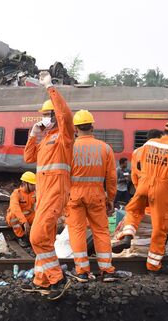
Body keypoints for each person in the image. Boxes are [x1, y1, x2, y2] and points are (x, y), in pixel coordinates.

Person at [113, 120, 168, 273]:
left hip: (143, 184)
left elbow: (136, 168)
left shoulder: (148, 145)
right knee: (161, 227)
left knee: (134, 211)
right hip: (162, 190)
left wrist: (138, 186)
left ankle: (127, 235)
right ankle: (154, 265)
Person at [21, 71, 73, 300]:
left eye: (48, 114)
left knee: (37, 237)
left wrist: (50, 88)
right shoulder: (45, 140)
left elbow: (65, 116)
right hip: (44, 193)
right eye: (43, 115)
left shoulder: (64, 136)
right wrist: (34, 134)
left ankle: (57, 278)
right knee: (46, 239)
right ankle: (41, 281)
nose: (45, 117)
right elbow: (28, 157)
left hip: (55, 191)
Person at [65, 110, 118, 283]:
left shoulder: (69, 148)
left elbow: (62, 174)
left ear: (75, 128)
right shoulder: (105, 148)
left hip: (74, 195)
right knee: (101, 231)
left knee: (77, 231)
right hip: (97, 195)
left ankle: (82, 271)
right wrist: (111, 198)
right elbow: (111, 177)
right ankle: (107, 270)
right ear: (92, 127)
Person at [6, 171, 36, 247]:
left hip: (29, 216)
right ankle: (20, 236)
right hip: (18, 218)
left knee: (42, 216)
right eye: (32, 184)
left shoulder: (34, 193)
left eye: (35, 184)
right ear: (25, 183)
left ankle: (35, 235)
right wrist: (24, 222)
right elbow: (15, 208)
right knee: (13, 216)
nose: (34, 187)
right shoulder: (16, 193)